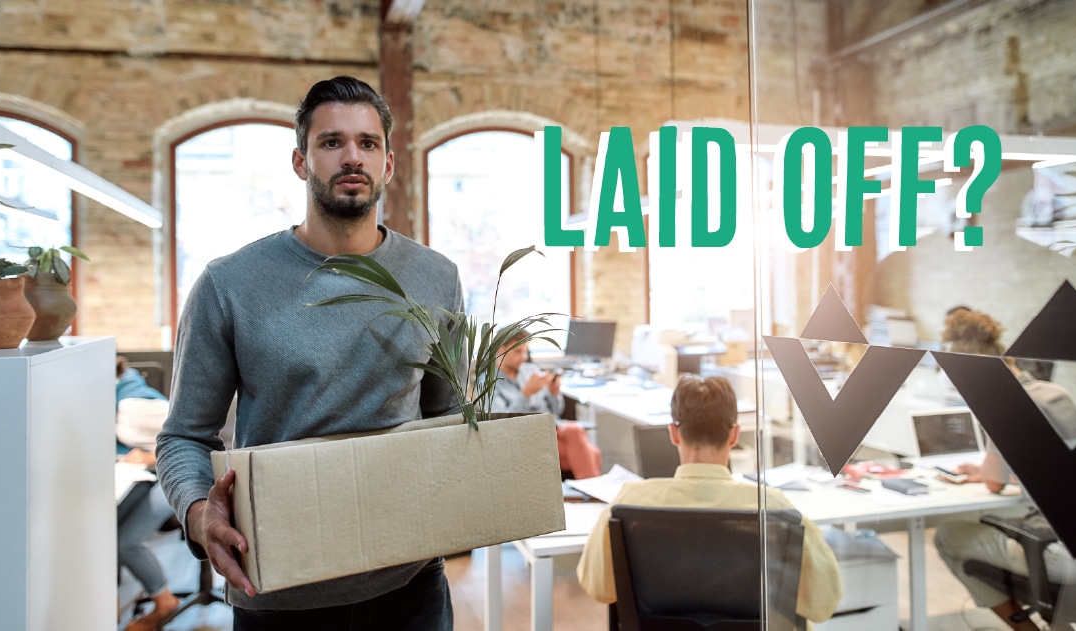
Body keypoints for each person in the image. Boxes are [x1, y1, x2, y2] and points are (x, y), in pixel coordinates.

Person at [155, 76, 464, 630]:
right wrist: (200, 515)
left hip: (409, 584)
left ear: (388, 164)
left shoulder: (436, 278)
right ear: (301, 161)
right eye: (332, 142)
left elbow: (447, 416)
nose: (352, 157)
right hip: (277, 587)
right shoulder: (229, 284)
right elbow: (182, 436)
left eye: (368, 144)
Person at [576, 375, 842, 625]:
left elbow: (597, 586)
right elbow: (822, 604)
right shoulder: (774, 508)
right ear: (734, 435)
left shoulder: (630, 502)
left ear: (673, 433)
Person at [934, 309, 1076, 631]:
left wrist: (988, 474)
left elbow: (993, 483)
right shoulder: (1057, 394)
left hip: (1058, 553)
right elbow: (1069, 471)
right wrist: (993, 472)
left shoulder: (1002, 402)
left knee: (948, 535)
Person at [115, 356, 179, 631]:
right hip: (149, 477)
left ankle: (165, 602)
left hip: (174, 476)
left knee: (126, 542)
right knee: (109, 530)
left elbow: (192, 439)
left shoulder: (130, 407)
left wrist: (148, 456)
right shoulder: (121, 392)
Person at [491, 330, 602, 479]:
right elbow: (502, 422)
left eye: (525, 352)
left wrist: (554, 393)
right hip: (527, 436)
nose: (523, 358)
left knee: (574, 430)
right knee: (591, 453)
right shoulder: (489, 384)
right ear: (501, 349)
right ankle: (594, 492)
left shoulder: (531, 371)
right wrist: (526, 394)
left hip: (552, 428)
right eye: (518, 352)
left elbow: (556, 411)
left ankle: (589, 495)